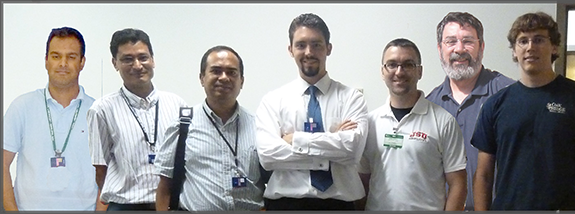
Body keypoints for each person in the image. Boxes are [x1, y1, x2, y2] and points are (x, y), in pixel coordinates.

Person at [472, 12, 575, 211]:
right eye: (523, 41)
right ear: (514, 51)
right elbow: (483, 175)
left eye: (539, 39)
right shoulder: (494, 104)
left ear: (554, 47)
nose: (530, 47)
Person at [255, 13, 368, 210]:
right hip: (285, 204)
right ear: (290, 50)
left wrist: (295, 140)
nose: (309, 52)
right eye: (301, 45)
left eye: (316, 44)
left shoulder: (352, 98)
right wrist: (332, 141)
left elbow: (352, 151)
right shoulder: (273, 101)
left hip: (339, 205)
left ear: (328, 48)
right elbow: (268, 156)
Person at [357, 38, 467, 211]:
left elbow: (458, 184)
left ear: (420, 71)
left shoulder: (443, 121)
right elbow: (362, 181)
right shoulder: (370, 123)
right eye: (392, 65)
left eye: (408, 65)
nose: (399, 72)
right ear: (382, 71)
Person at [87, 28, 187, 211]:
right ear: (114, 63)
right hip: (126, 206)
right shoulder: (102, 109)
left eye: (143, 57)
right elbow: (101, 170)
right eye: (127, 59)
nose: (138, 65)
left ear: (153, 60)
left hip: (172, 205)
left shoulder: (177, 104)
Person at [154, 45, 264, 211]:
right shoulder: (182, 126)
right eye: (216, 71)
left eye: (232, 72)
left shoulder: (259, 126)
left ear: (242, 81)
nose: (224, 77)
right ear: (202, 78)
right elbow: (165, 188)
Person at [425, 12, 515, 210]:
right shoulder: (428, 105)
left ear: (481, 47)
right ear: (440, 49)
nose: (459, 49)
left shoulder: (509, 95)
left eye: (467, 41)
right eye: (450, 42)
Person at [3, 27, 97, 211]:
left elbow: (110, 174)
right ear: (46, 61)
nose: (63, 63)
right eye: (56, 56)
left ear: (82, 62)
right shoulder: (22, 107)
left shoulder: (98, 112)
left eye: (71, 57)